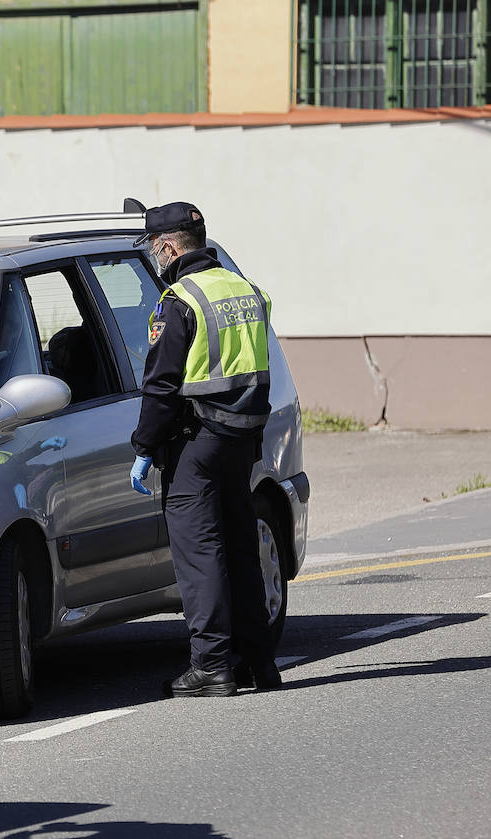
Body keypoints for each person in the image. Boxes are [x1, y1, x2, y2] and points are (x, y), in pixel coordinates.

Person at [128, 202, 282, 698]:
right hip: (243, 439)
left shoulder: (180, 302)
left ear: (168, 247)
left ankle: (211, 665)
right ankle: (258, 663)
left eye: (154, 250)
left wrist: (144, 447)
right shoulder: (247, 291)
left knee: (200, 554)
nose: (154, 258)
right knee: (239, 549)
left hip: (197, 442)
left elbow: (162, 386)